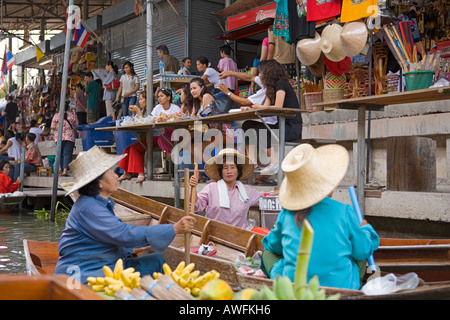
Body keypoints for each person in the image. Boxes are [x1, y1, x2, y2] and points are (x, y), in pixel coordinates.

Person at [54, 145, 196, 284]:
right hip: (82, 273)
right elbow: (124, 234)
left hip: (103, 263)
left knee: (156, 260)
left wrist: (144, 245)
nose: (116, 176)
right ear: (99, 183)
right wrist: (174, 229)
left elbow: (113, 237)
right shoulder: (88, 207)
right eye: (111, 172)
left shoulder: (96, 203)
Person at [261, 143, 380, 290]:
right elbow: (362, 250)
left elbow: (272, 246)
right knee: (359, 255)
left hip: (293, 287)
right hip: (340, 288)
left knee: (267, 254)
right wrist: (365, 229)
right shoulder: (344, 211)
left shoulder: (286, 214)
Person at [245, 59, 303, 177]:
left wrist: (259, 107)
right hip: (281, 126)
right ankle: (251, 163)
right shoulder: (270, 89)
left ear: (268, 72)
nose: (259, 75)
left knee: (261, 130)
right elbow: (265, 109)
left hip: (291, 128)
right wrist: (250, 109)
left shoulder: (281, 84)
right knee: (248, 125)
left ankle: (274, 162)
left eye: (261, 72)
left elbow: (278, 107)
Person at [189, 148, 263, 228]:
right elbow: (196, 205)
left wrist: (277, 192)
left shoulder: (247, 191)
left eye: (232, 167)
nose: (229, 171)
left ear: (238, 171)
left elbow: (264, 198)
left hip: (238, 237)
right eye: (225, 168)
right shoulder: (211, 188)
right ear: (221, 171)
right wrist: (193, 188)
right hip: (213, 237)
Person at [51, 106, 78, 176]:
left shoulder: (56, 116)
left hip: (59, 137)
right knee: (67, 154)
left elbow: (52, 127)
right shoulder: (72, 115)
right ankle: (65, 171)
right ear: (68, 107)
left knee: (60, 154)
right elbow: (76, 125)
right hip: (69, 137)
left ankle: (62, 170)